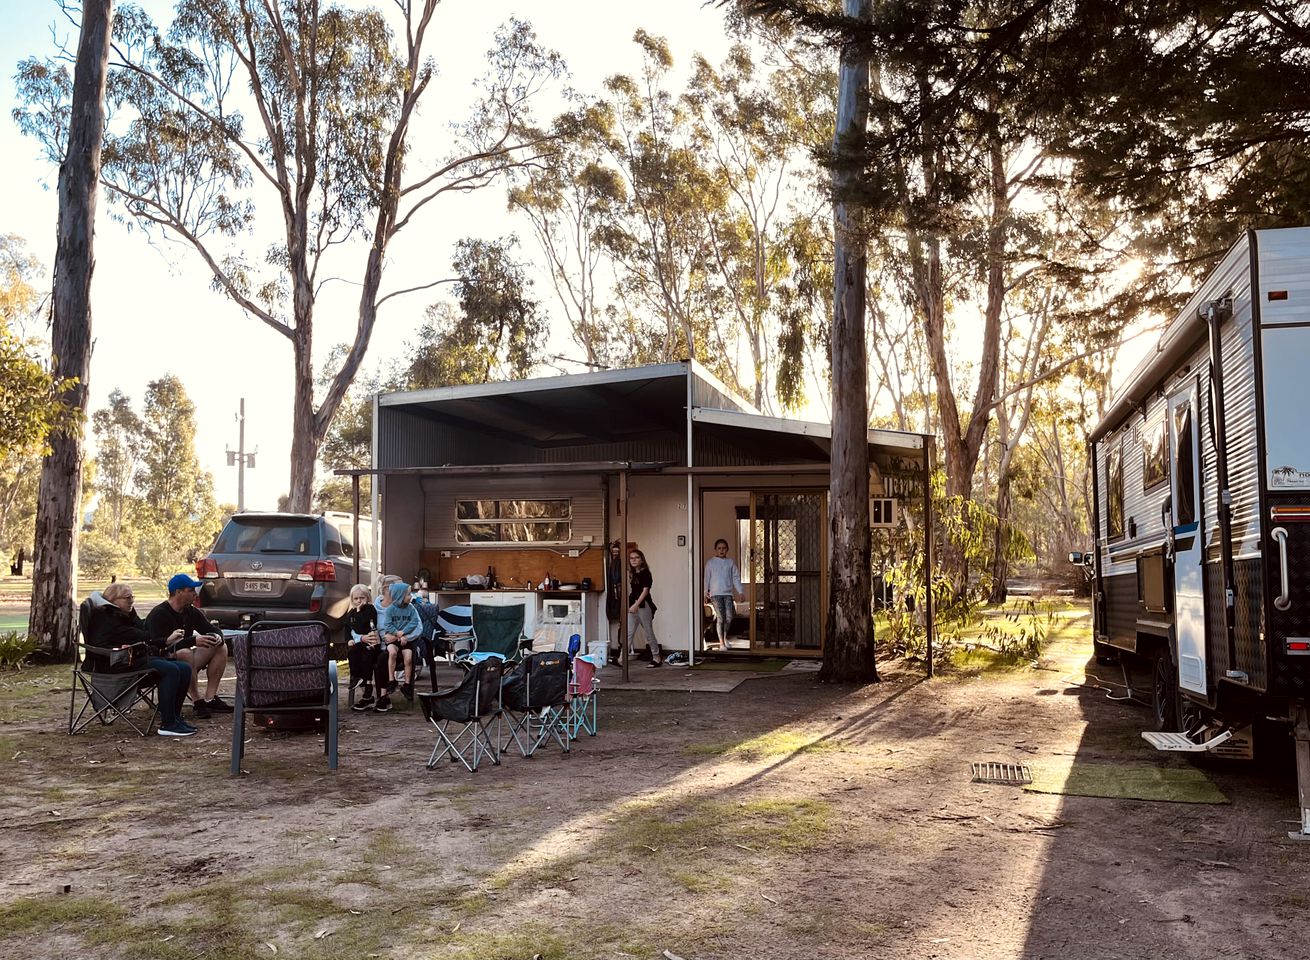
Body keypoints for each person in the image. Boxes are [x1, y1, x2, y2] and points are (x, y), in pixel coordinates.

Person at [88, 582, 196, 737]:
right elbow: (142, 635)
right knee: (170, 670)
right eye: (127, 598)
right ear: (113, 600)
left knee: (184, 668)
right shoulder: (108, 619)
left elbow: (142, 630)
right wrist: (165, 640)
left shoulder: (123, 614)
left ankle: (175, 718)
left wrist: (132, 614)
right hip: (115, 666)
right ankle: (168, 724)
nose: (132, 600)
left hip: (131, 660)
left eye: (132, 597)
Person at [146, 574, 230, 720]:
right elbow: (156, 645)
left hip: (186, 661)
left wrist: (217, 636)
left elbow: (210, 628)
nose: (195, 594)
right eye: (191, 590)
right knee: (185, 653)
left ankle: (210, 699)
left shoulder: (191, 611)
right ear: (178, 592)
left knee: (219, 647)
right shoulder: (159, 614)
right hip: (164, 663)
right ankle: (197, 702)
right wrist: (192, 641)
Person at [378, 581, 422, 707]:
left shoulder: (411, 609)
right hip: (394, 638)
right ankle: (392, 680)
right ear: (400, 596)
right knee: (392, 652)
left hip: (405, 639)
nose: (411, 596)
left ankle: (407, 685)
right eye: (408, 594)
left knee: (408, 658)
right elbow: (387, 625)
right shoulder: (390, 610)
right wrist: (397, 634)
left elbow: (414, 623)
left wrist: (404, 634)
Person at [345, 584, 388, 712]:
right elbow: (347, 628)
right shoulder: (350, 613)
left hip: (372, 644)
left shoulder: (370, 610)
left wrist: (359, 612)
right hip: (360, 644)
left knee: (367, 656)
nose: (359, 601)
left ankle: (367, 687)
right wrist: (349, 640)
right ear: (352, 599)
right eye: (356, 598)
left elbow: (362, 627)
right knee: (352, 652)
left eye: (362, 598)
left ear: (367, 598)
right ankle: (356, 678)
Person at [703, 538, 744, 652]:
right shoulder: (710, 563)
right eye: (719, 548)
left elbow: (735, 578)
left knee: (730, 617)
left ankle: (724, 638)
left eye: (724, 548)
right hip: (715, 595)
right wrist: (705, 593)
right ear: (715, 550)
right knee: (721, 618)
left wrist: (740, 591)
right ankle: (721, 643)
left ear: (727, 550)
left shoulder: (730, 563)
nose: (722, 550)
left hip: (728, 594)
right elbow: (707, 579)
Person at [627, 548, 662, 667]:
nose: (633, 560)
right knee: (628, 632)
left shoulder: (645, 572)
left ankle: (656, 657)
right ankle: (622, 658)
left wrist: (636, 605)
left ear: (642, 560)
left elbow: (645, 591)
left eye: (636, 557)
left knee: (648, 632)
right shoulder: (632, 573)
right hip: (633, 604)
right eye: (631, 558)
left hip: (643, 605)